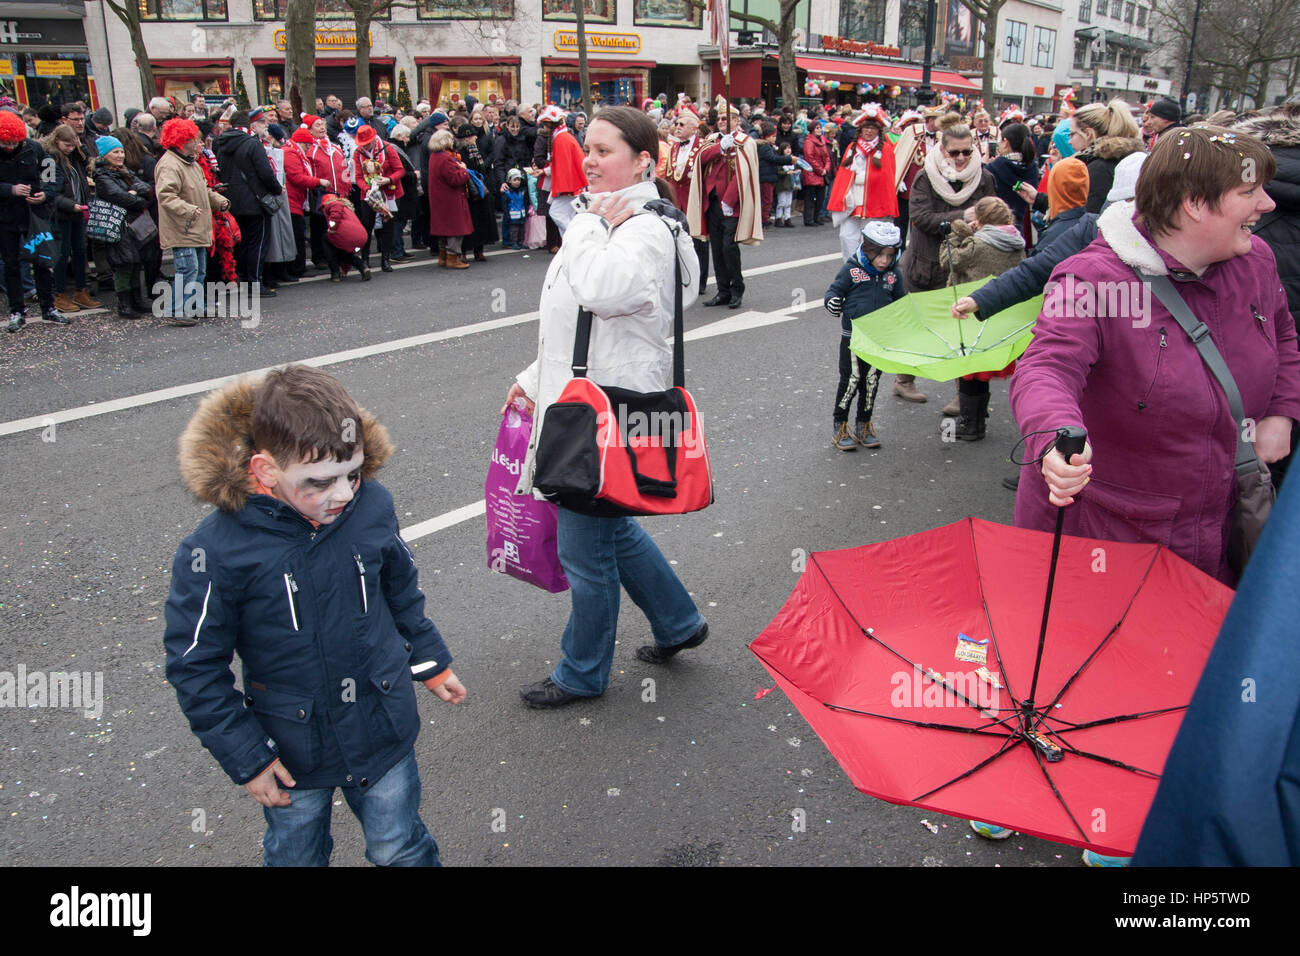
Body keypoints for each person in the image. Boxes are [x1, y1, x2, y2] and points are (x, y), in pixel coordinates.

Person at [163, 364, 466, 866]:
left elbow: (401, 592)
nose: (344, 493)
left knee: (401, 845)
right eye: (320, 482)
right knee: (296, 855)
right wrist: (248, 757)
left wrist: (430, 662)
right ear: (264, 471)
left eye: (354, 472)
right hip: (290, 751)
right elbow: (194, 665)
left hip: (381, 727)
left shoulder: (371, 506)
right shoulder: (216, 550)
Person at [1009, 125, 1300, 589]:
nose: (1267, 204)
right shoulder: (1091, 282)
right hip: (1117, 537)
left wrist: (1282, 413)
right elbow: (1046, 366)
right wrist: (1053, 438)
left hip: (1219, 523)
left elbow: (1283, 332)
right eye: (1250, 191)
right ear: (1194, 204)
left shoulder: (1256, 259)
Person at [502, 106, 706, 708]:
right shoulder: (636, 217)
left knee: (584, 551)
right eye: (586, 148)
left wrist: (588, 225)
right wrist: (534, 378)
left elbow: (602, 292)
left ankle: (582, 671)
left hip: (601, 408)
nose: (589, 160)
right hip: (594, 393)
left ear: (644, 160)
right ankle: (678, 622)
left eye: (603, 150)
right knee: (606, 527)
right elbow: (578, 327)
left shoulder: (634, 225)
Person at [898, 115, 996, 402]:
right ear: (942, 150)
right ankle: (904, 380)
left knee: (963, 328)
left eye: (968, 151)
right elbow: (920, 218)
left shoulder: (984, 177)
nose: (962, 157)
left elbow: (993, 216)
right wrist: (963, 217)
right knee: (920, 324)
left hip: (966, 264)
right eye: (955, 152)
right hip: (926, 262)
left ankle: (961, 394)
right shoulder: (925, 175)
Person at [938, 196, 1025, 439]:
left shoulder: (978, 245)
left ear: (981, 220)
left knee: (970, 371)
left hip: (972, 311)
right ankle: (978, 415)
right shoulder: (1016, 243)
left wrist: (955, 233)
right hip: (1001, 314)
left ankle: (971, 425)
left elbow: (948, 261)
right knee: (980, 371)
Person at [823, 220, 906, 451]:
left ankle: (864, 424)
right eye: (879, 255)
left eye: (890, 256)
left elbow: (901, 303)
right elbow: (833, 292)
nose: (884, 261)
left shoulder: (893, 275)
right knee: (850, 381)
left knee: (871, 382)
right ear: (868, 250)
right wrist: (832, 303)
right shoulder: (851, 270)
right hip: (854, 338)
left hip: (878, 339)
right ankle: (840, 425)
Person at [154, 117, 231, 326]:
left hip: (195, 226)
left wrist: (219, 201)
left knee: (199, 270)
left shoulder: (190, 163)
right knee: (187, 269)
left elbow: (203, 189)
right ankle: (176, 309)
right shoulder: (170, 165)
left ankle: (194, 305)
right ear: (181, 141)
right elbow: (166, 196)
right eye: (194, 140)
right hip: (183, 226)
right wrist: (188, 210)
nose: (199, 144)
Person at [688, 98, 763, 309]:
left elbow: (743, 173)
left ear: (736, 120)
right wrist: (720, 147)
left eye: (726, 118)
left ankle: (736, 289)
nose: (721, 121)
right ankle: (722, 291)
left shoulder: (745, 141)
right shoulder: (712, 139)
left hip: (732, 204)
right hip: (712, 202)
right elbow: (701, 159)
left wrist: (730, 200)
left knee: (729, 247)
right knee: (717, 249)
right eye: (719, 118)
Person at [213, 108, 282, 296]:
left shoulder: (220, 143)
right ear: (251, 125)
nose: (265, 127)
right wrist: (277, 189)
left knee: (239, 243)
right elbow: (265, 173)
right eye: (262, 124)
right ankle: (255, 283)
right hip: (254, 201)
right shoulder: (252, 144)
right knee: (257, 243)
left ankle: (241, 279)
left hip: (231, 201)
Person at [91, 134, 155, 320]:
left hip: (132, 225)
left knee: (135, 263)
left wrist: (134, 194)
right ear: (104, 155)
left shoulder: (125, 171)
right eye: (115, 152)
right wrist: (135, 196)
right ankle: (125, 304)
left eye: (121, 151)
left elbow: (146, 189)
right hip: (118, 227)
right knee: (124, 264)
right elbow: (121, 197)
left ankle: (136, 300)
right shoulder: (102, 176)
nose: (120, 155)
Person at [828, 104, 899, 263]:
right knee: (846, 237)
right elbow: (843, 175)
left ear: (878, 130)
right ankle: (851, 268)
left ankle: (869, 270)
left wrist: (867, 177)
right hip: (852, 201)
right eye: (866, 127)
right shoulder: (853, 148)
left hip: (873, 202)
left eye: (872, 128)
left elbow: (886, 177)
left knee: (871, 241)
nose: (868, 131)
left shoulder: (885, 150)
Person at [41, 125, 98, 316]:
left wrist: (81, 150)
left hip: (77, 211)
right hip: (60, 213)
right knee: (62, 254)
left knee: (81, 251)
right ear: (56, 141)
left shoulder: (75, 157)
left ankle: (81, 291)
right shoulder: (49, 160)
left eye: (73, 145)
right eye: (67, 145)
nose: (70, 148)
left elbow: (86, 165)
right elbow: (48, 191)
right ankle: (59, 294)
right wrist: (69, 205)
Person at [1067, 99, 1145, 214]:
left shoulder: (1098, 168)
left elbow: (1087, 220)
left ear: (1088, 134)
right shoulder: (1126, 158)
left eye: (1072, 134)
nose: (1069, 141)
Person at [664, 106, 710, 292]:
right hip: (677, 199)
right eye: (676, 123)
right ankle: (681, 277)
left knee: (698, 240)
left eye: (682, 124)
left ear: (693, 128)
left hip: (694, 198)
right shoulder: (674, 146)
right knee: (678, 240)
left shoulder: (702, 145)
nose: (677, 127)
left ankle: (700, 281)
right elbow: (669, 174)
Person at [352, 124, 405, 271]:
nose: (366, 147)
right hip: (369, 195)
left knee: (388, 226)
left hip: (389, 193)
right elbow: (358, 177)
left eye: (368, 143)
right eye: (363, 144)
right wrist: (368, 189)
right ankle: (365, 259)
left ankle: (386, 259)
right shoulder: (358, 153)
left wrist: (388, 179)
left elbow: (400, 170)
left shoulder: (387, 148)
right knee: (367, 226)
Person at [426, 128, 472, 269]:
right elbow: (455, 179)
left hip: (439, 198)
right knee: (454, 229)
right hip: (451, 198)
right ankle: (453, 257)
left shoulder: (434, 156)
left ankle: (443, 256)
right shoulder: (445, 158)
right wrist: (464, 170)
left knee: (443, 229)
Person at [984, 122, 1038, 240]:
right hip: (1018, 229)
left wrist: (984, 164)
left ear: (1006, 142)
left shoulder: (994, 168)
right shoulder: (1032, 167)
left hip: (995, 229)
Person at [801, 118, 831, 226]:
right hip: (812, 173)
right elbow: (810, 158)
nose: (819, 130)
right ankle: (809, 219)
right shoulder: (809, 142)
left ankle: (816, 217)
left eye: (820, 128)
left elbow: (827, 157)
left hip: (821, 173)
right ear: (812, 130)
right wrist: (820, 170)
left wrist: (826, 169)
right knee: (810, 198)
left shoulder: (822, 141)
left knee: (820, 198)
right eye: (817, 128)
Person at [499, 167, 530, 249]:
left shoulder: (522, 191)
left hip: (521, 214)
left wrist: (526, 212)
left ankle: (520, 242)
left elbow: (525, 202)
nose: (517, 182)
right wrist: (507, 214)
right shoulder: (507, 192)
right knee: (514, 230)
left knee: (521, 230)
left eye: (518, 180)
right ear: (509, 181)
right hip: (512, 215)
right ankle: (513, 242)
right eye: (515, 180)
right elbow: (505, 204)